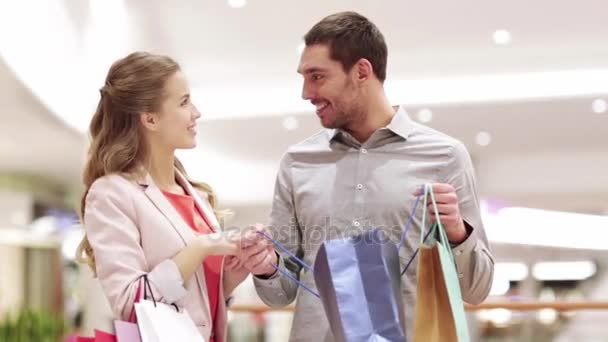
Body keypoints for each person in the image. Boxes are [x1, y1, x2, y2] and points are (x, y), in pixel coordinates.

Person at [244, 12, 495, 341]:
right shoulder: (297, 162)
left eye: (317, 76)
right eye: (304, 78)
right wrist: (265, 267)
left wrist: (459, 233)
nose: (306, 93)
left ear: (362, 71)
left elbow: (477, 290)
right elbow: (280, 293)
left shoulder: (445, 156)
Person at [76, 51, 261, 342]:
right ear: (150, 118)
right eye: (184, 102)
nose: (196, 113)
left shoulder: (195, 195)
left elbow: (195, 302)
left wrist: (231, 275)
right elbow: (132, 306)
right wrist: (202, 246)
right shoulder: (111, 194)